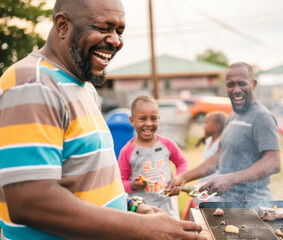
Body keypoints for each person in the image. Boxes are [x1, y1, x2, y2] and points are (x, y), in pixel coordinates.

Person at [0, 0, 205, 239]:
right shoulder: (33, 83)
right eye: (103, 28)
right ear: (63, 25)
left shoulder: (85, 88)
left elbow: (87, 179)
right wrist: (143, 229)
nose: (116, 40)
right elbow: (30, 202)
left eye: (119, 31)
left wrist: (132, 207)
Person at [166, 62, 281, 202]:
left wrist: (231, 178)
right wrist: (183, 177)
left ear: (254, 84)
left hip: (253, 205)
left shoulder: (262, 117)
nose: (236, 90)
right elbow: (218, 156)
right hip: (229, 204)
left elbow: (273, 162)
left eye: (242, 83)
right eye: (230, 84)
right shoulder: (233, 116)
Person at [118, 95, 188, 219]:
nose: (149, 123)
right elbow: (120, 182)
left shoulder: (167, 144)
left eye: (153, 118)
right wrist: (132, 185)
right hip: (142, 210)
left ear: (158, 119)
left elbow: (182, 163)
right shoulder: (127, 151)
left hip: (168, 208)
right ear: (132, 120)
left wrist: (178, 180)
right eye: (143, 119)